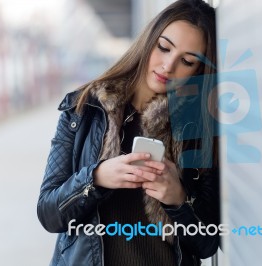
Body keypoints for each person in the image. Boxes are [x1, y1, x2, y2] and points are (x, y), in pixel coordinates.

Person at [37, 0, 220, 265]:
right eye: (164, 48)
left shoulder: (198, 129)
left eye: (187, 61)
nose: (168, 66)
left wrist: (178, 199)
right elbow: (48, 213)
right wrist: (96, 177)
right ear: (148, 41)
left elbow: (206, 244)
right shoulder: (85, 108)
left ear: (199, 70)